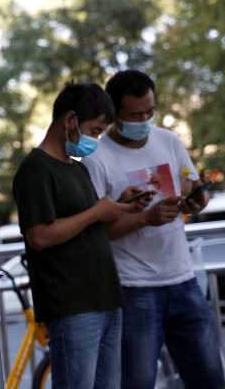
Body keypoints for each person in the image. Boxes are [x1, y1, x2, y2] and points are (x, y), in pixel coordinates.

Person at [82, 69, 225, 389]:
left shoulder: (168, 140)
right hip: (133, 289)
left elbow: (191, 184)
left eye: (150, 111)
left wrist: (195, 200)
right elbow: (96, 233)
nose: (144, 119)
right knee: (137, 381)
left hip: (184, 279)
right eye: (135, 114)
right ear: (113, 115)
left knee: (211, 377)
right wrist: (146, 217)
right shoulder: (97, 159)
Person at [13, 82, 140, 389]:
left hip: (106, 298)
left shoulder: (77, 168)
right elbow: (40, 236)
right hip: (72, 306)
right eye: (94, 130)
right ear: (69, 120)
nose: (95, 140)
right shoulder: (36, 169)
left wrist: (122, 203)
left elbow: (86, 222)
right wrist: (97, 212)